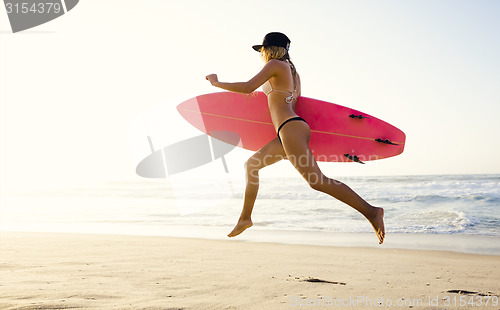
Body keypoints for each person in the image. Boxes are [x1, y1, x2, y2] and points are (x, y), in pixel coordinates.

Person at [206, 32, 385, 244]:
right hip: (290, 128)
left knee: (316, 181)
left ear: (270, 49)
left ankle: (372, 212)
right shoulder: (293, 73)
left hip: (289, 128)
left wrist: (217, 83)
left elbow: (247, 88)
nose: (261, 54)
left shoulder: (274, 65)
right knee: (252, 166)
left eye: (262, 50)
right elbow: (293, 102)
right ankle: (245, 218)